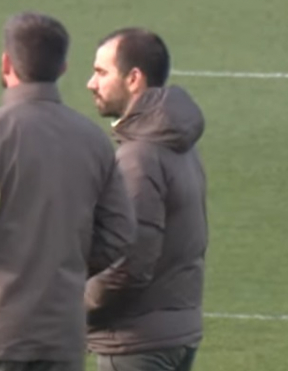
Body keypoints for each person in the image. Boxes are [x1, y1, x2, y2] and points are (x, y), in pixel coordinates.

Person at [0, 11, 136, 371]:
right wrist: (65, 267)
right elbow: (119, 232)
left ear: (6, 63)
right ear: (62, 68)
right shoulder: (94, 141)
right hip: (59, 340)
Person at [85, 28, 207, 371]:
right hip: (176, 331)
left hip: (136, 342)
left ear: (134, 78)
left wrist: (72, 306)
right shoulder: (179, 143)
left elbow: (129, 263)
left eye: (101, 72)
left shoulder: (138, 158)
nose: (91, 84)